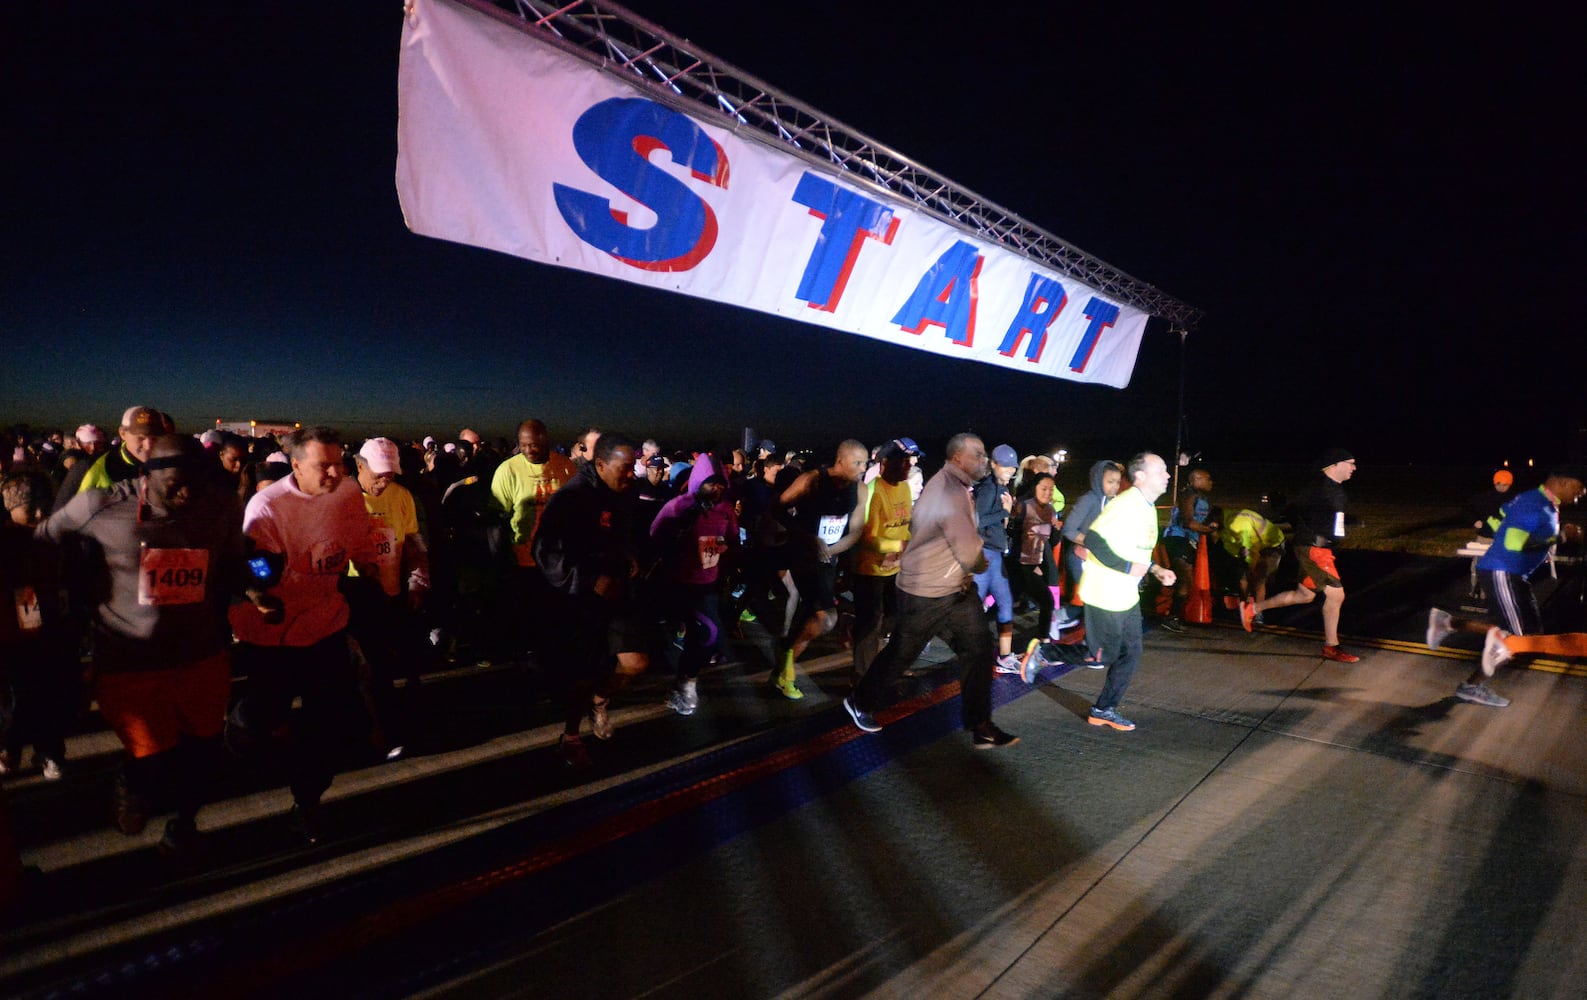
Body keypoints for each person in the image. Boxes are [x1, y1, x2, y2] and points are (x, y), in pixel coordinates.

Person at [37, 435, 249, 857]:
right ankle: (132, 781)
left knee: (204, 753)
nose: (190, 491)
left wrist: (254, 588)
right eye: (177, 481)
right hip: (129, 661)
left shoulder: (222, 505)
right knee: (153, 755)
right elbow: (42, 543)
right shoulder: (100, 505)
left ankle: (184, 824)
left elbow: (232, 563)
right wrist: (63, 605)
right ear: (144, 475)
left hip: (201, 655)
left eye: (199, 481)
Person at [227, 426, 379, 845]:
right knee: (269, 711)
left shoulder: (348, 492)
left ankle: (307, 802)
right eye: (322, 465)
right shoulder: (268, 504)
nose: (333, 473)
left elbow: (359, 534)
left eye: (338, 463)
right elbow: (252, 562)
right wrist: (260, 591)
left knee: (325, 722)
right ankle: (244, 718)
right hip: (271, 630)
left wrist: (366, 563)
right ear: (295, 466)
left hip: (324, 622)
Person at [842, 434, 1017, 748]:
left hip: (955, 589)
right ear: (958, 458)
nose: (984, 459)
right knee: (900, 654)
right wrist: (978, 561)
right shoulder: (949, 492)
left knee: (978, 649)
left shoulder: (955, 488)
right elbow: (969, 554)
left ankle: (980, 723)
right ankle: (860, 701)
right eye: (977, 454)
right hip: (926, 592)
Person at [533, 434, 649, 768]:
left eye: (633, 468)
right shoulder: (571, 498)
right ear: (599, 465)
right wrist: (587, 580)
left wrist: (630, 554)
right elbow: (545, 551)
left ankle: (600, 700)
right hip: (580, 597)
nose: (631, 476)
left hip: (618, 588)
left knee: (635, 663)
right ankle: (570, 737)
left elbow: (625, 534)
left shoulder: (624, 495)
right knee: (581, 672)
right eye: (624, 469)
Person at [1426, 468, 1586, 707]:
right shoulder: (1536, 504)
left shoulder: (1534, 499)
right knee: (1517, 639)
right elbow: (1514, 543)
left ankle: (1450, 625)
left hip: (1510, 573)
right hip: (1504, 572)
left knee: (1527, 636)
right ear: (1564, 481)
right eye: (1579, 489)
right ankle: (1472, 682)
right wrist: (1562, 537)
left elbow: (1495, 520)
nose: (1581, 495)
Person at [1076, 452, 1177, 731]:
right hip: (1105, 591)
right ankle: (1046, 653)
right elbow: (1093, 539)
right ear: (1141, 476)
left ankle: (1103, 709)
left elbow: (1134, 550)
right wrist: (1126, 567)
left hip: (1125, 594)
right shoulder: (1128, 504)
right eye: (1162, 471)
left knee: (1131, 654)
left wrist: (1155, 569)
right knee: (1103, 655)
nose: (1168, 476)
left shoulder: (1146, 506)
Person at [346, 438, 431, 757]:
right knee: (364, 669)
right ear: (359, 466)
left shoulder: (402, 496)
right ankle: (372, 731)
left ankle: (385, 729)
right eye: (379, 474)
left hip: (391, 594)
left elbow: (413, 542)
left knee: (384, 667)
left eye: (390, 475)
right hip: (355, 595)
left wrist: (418, 580)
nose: (384, 481)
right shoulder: (344, 498)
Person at [1239, 449, 1360, 662]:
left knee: (1304, 595)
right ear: (1333, 465)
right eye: (1350, 463)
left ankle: (1252, 608)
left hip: (1317, 547)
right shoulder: (1320, 488)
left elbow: (1325, 517)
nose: (1354, 468)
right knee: (1336, 595)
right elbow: (1300, 510)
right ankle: (1332, 646)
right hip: (1314, 549)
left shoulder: (1333, 490)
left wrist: (1344, 525)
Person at [771, 440, 868, 699]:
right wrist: (806, 536)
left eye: (866, 463)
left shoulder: (860, 490)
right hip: (802, 555)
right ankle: (786, 661)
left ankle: (783, 660)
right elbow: (777, 507)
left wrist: (830, 551)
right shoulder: (811, 480)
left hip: (828, 559)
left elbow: (856, 531)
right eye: (857, 462)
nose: (863, 468)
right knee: (826, 617)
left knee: (810, 615)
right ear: (840, 461)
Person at [650, 455, 737, 715]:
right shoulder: (679, 506)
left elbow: (730, 541)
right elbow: (654, 536)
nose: (717, 489)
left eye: (721, 484)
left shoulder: (726, 509)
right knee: (710, 634)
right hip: (680, 584)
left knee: (701, 636)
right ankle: (686, 683)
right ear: (699, 482)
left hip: (709, 583)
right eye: (711, 483)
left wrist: (721, 551)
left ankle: (682, 683)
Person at [0, 472, 73, 782]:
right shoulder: (4, 541)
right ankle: (9, 746)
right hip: (10, 634)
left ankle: (50, 750)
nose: (41, 513)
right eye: (30, 507)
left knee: (50, 694)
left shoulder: (55, 537)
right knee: (14, 698)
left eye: (45, 504)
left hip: (51, 629)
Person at [489, 419, 579, 660]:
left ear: (545, 442)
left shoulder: (566, 468)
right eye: (524, 445)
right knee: (527, 616)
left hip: (559, 559)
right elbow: (496, 517)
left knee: (556, 616)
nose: (529, 450)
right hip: (523, 558)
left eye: (535, 445)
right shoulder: (507, 470)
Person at [850, 438, 915, 680]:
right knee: (870, 623)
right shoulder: (872, 492)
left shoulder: (906, 488)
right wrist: (899, 545)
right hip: (870, 569)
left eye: (910, 462)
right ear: (884, 463)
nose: (908, 467)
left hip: (896, 567)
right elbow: (866, 537)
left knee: (898, 617)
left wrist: (906, 547)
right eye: (902, 462)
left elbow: (905, 525)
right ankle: (861, 676)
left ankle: (890, 663)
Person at [1060, 460, 1123, 638]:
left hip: (1100, 560)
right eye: (1110, 481)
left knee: (1092, 600)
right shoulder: (1088, 499)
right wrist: (1091, 543)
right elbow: (1069, 529)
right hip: (1081, 558)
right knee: (1095, 600)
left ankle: (1058, 619)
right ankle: (1093, 646)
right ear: (1097, 479)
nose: (1115, 487)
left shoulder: (1115, 503)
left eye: (1117, 482)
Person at [1009, 472, 1065, 671]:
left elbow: (1052, 541)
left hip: (1034, 564)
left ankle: (1039, 649)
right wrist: (1031, 566)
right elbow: (1013, 537)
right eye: (1044, 488)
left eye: (1051, 489)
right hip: (1020, 564)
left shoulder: (1050, 510)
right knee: (1046, 601)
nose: (1048, 493)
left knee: (1008, 602)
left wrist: (1056, 528)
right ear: (1035, 489)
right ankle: (1041, 649)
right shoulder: (1024, 507)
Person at [973, 444, 1021, 672]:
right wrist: (1005, 512)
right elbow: (978, 521)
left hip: (995, 555)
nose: (1010, 471)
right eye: (1005, 467)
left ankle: (1004, 656)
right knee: (975, 609)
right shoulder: (988, 488)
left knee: (1005, 603)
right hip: (985, 556)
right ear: (993, 464)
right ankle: (973, 655)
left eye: (1013, 467)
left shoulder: (1000, 487)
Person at [1160, 466, 1217, 631]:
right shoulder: (1188, 495)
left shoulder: (1202, 498)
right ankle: (1172, 616)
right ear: (1197, 479)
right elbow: (1188, 522)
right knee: (1186, 580)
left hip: (1189, 540)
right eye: (1208, 478)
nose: (1211, 482)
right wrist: (1210, 530)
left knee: (1183, 579)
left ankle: (1172, 613)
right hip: (1178, 538)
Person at [1222, 499, 1287, 619]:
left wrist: (1250, 564)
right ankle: (1245, 608)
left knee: (1259, 579)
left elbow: (1248, 547)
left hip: (1272, 545)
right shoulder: (1227, 528)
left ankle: (1258, 612)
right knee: (1244, 579)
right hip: (1256, 546)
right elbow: (1238, 550)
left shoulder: (1237, 524)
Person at [1465, 469, 1515, 539]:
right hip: (1486, 537)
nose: (1501, 487)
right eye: (1498, 484)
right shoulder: (1485, 497)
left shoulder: (1516, 499)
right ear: (1494, 483)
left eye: (1505, 485)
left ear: (1510, 484)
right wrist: (1474, 520)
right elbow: (1469, 509)